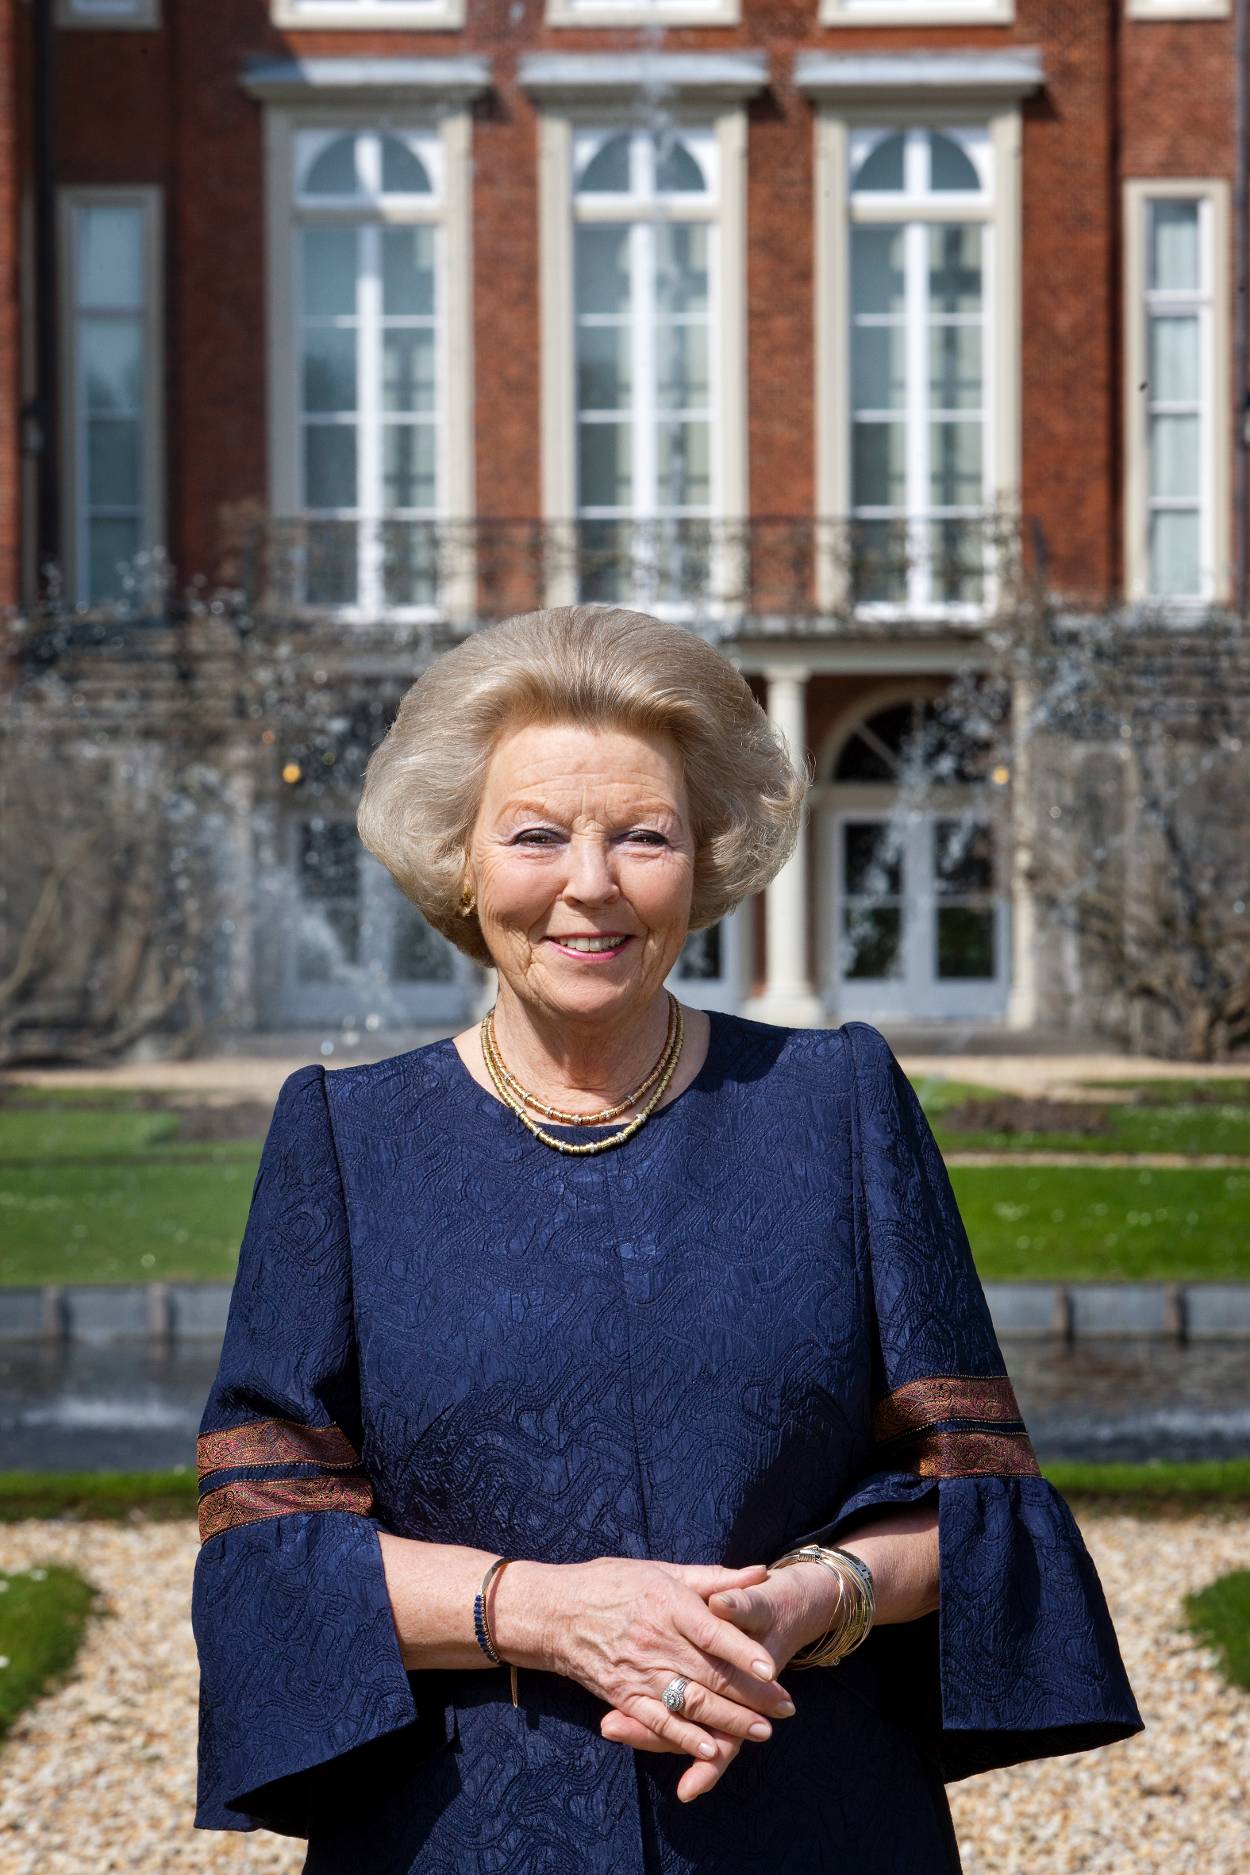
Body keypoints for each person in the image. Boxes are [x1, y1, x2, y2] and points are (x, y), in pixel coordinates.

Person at [190, 605, 1142, 1873]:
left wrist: (808, 1597)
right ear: (460, 861)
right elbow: (263, 1546)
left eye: (643, 835)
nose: (590, 883)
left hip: (809, 1805)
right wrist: (544, 1612)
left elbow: (975, 1496)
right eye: (535, 834)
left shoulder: (835, 1103)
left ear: (704, 859)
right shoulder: (345, 1138)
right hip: (464, 1829)